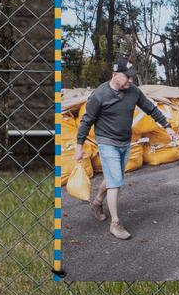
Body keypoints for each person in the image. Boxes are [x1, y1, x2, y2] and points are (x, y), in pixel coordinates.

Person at [74, 60, 172, 240]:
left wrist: (167, 125)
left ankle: (96, 202)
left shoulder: (133, 92)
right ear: (115, 75)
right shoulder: (100, 94)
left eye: (132, 76)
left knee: (114, 177)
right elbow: (86, 120)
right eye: (127, 76)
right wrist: (79, 146)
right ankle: (115, 223)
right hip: (106, 142)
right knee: (116, 182)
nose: (131, 80)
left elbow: (150, 108)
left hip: (124, 142)